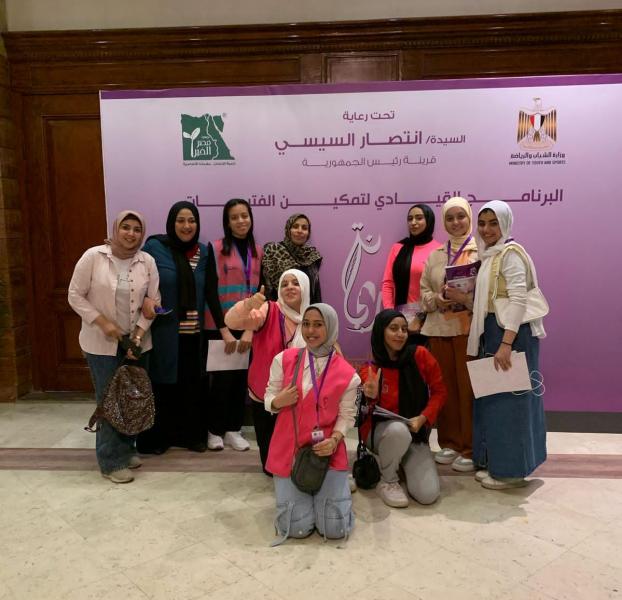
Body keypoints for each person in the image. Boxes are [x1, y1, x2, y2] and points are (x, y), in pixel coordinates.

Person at [68, 210, 160, 483]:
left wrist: (138, 336)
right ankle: (110, 461)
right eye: (126, 227)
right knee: (109, 401)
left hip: (136, 342)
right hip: (101, 343)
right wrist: (103, 323)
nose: (131, 234)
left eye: (137, 229)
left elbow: (153, 302)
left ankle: (126, 449)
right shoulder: (94, 257)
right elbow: (74, 295)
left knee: (131, 398)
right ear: (115, 229)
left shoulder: (147, 261)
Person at [467, 200, 547, 490]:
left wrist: (505, 343)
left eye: (493, 223)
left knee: (511, 404)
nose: (487, 229)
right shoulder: (492, 255)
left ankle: (511, 473)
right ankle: (498, 464)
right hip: (495, 332)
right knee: (494, 401)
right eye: (482, 223)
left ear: (505, 224)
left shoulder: (511, 254)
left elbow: (518, 300)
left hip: (510, 336)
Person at [264, 303, 359, 544]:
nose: (310, 331)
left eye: (318, 325)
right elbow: (268, 396)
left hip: (326, 453)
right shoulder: (284, 359)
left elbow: (347, 415)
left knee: (335, 529)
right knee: (297, 528)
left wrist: (335, 440)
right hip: (289, 451)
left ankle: (335, 493)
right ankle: (316, 498)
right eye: (306, 324)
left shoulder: (348, 374)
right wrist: (277, 402)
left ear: (331, 327)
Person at [136, 201, 213, 455]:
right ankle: (159, 438)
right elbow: (140, 280)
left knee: (192, 386)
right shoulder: (155, 248)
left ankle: (191, 437)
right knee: (163, 385)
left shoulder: (204, 252)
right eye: (181, 220)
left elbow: (209, 291)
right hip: (165, 332)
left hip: (194, 334)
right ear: (171, 222)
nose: (186, 226)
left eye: (191, 220)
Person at [224, 268, 311, 473]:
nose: (289, 287)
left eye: (295, 283)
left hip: (300, 395)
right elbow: (231, 321)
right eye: (284, 284)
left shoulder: (313, 316)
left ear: (306, 288)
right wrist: (248, 305)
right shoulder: (268, 310)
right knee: (270, 463)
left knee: (297, 453)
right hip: (265, 392)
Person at [359, 309, 446, 508]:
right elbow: (365, 410)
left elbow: (440, 392)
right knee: (398, 431)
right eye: (393, 328)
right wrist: (370, 395)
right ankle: (388, 480)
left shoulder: (420, 355)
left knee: (428, 494)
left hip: (415, 434)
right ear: (381, 332)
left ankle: (396, 459)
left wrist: (423, 418)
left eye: (404, 329)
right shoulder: (371, 369)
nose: (400, 334)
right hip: (380, 434)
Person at [420, 197, 478, 472]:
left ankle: (470, 447)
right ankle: (449, 443)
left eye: (461, 216)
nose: (456, 223)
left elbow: (488, 294)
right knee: (444, 390)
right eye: (450, 218)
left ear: (469, 218)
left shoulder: (481, 252)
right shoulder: (435, 255)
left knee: (468, 391)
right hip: (439, 330)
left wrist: (465, 299)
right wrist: (437, 299)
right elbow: (423, 292)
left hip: (468, 330)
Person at [204, 198, 263, 452]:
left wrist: (250, 329)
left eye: (244, 216)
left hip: (247, 326)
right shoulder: (215, 248)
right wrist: (225, 331)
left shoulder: (258, 251)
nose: (241, 221)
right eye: (235, 217)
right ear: (227, 222)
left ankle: (233, 430)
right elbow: (210, 291)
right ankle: (214, 430)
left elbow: (261, 294)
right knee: (221, 381)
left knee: (240, 380)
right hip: (220, 326)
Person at [382, 204, 442, 336]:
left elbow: (439, 290)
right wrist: (391, 315)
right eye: (410, 219)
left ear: (429, 221)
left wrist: (420, 318)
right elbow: (388, 283)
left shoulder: (439, 250)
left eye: (419, 218)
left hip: (429, 318)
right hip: (399, 319)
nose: (413, 222)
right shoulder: (398, 248)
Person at [262, 213, 323, 303]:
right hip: (278, 308)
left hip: (306, 309)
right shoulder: (273, 251)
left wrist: (316, 309)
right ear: (288, 229)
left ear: (308, 233)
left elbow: (315, 291)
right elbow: (267, 288)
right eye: (295, 227)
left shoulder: (312, 256)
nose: (300, 231)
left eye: (304, 228)